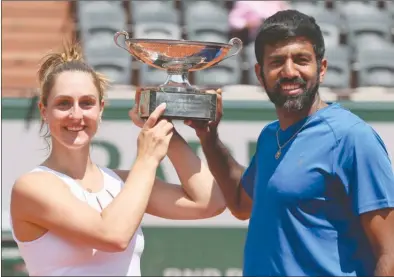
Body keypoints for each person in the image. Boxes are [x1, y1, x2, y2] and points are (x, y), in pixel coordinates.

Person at [186, 10, 394, 277]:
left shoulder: (352, 138)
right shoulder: (270, 136)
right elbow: (240, 204)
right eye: (276, 62)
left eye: (301, 60)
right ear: (260, 74)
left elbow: (389, 253)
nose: (289, 71)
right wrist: (209, 137)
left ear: (322, 68)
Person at [9, 43, 226, 276]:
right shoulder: (32, 187)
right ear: (44, 110)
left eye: (87, 103)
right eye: (63, 104)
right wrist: (147, 159)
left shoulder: (119, 182)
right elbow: (112, 236)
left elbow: (209, 202)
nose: (76, 115)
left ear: (101, 109)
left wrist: (164, 128)